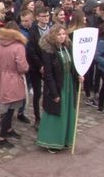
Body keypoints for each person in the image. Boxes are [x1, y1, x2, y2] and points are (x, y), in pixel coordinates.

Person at [36, 24, 83, 153]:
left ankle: (65, 139)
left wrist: (78, 76)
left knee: (68, 112)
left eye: (64, 34)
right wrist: (54, 93)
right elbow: (49, 74)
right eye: (59, 34)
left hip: (68, 84)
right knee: (56, 113)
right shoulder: (49, 51)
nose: (62, 37)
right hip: (57, 85)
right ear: (53, 35)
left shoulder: (67, 47)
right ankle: (52, 141)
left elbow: (73, 65)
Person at [0, 26, 29, 148]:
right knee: (9, 110)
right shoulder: (19, 47)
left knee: (8, 107)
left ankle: (8, 130)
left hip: (2, 77)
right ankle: (1, 138)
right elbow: (22, 66)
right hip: (13, 79)